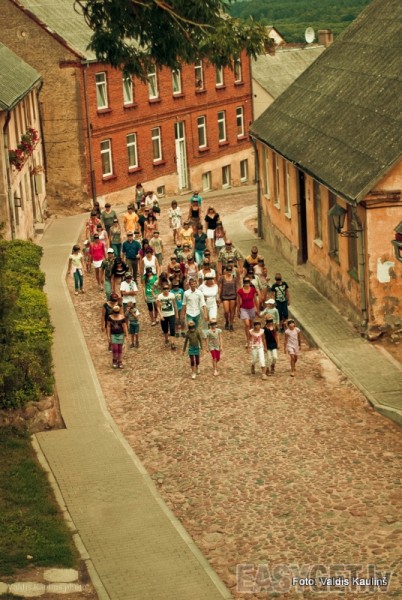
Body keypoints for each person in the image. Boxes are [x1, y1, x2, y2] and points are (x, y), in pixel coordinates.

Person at [237, 277, 260, 347]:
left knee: (251, 325)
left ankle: (251, 338)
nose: (247, 283)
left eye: (248, 282)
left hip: (251, 308)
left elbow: (255, 300)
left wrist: (257, 309)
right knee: (247, 324)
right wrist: (238, 310)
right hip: (244, 309)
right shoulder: (240, 291)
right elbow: (238, 301)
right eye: (245, 282)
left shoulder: (253, 290)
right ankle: (248, 340)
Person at [157, 284, 178, 350]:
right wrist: (160, 315)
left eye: (167, 288)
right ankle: (166, 338)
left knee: (172, 328)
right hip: (164, 315)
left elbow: (175, 304)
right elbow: (158, 307)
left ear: (169, 289)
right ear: (162, 289)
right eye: (164, 289)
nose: (166, 290)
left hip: (171, 314)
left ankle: (172, 343)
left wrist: (176, 314)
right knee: (165, 328)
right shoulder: (160, 296)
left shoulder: (172, 295)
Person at [107, 304, 128, 369]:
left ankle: (120, 361)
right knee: (115, 348)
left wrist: (126, 335)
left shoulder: (122, 317)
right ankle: (114, 360)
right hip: (113, 334)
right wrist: (108, 336)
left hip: (121, 334)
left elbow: (125, 326)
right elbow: (108, 326)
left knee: (120, 349)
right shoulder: (110, 317)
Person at [218, 265, 237, 331]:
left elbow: (236, 287)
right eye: (228, 270)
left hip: (233, 295)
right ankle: (227, 321)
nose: (229, 272)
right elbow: (220, 287)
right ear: (225, 271)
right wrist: (218, 296)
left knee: (232, 311)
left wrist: (237, 297)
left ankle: (231, 324)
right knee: (226, 311)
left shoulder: (234, 277)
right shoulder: (222, 278)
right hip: (225, 296)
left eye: (230, 270)